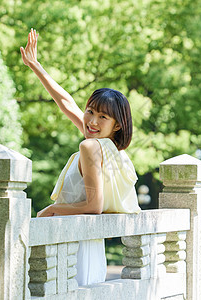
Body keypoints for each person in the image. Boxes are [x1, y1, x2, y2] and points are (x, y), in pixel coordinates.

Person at [20, 28, 141, 286]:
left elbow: (93, 206)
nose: (92, 121)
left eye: (103, 117)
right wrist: (36, 66)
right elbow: (65, 102)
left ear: (117, 125)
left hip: (74, 239)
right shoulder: (110, 149)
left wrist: (52, 210)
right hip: (90, 242)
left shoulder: (90, 148)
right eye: (90, 112)